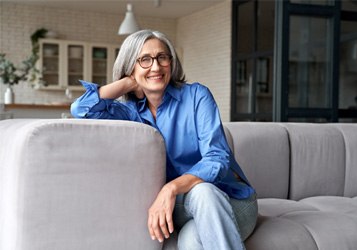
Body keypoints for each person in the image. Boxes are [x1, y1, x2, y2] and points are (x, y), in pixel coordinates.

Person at [71, 29, 258, 250]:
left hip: (230, 201)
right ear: (130, 65)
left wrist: (171, 188)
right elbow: (81, 109)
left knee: (201, 199)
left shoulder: (197, 96)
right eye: (145, 60)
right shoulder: (129, 113)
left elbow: (217, 158)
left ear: (172, 62)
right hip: (180, 208)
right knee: (190, 239)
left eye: (162, 57)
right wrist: (129, 83)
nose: (156, 67)